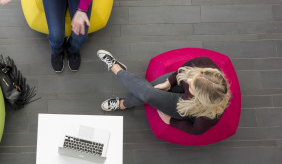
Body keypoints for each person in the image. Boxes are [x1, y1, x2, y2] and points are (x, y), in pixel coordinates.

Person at [96, 49, 230, 135]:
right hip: (176, 82)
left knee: (148, 94)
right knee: (150, 91)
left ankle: (116, 69)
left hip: (186, 106)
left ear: (201, 98)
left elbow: (195, 130)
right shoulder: (205, 63)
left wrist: (171, 121)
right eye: (194, 78)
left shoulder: (209, 115)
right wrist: (169, 82)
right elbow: (184, 70)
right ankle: (124, 103)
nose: (188, 81)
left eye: (192, 87)